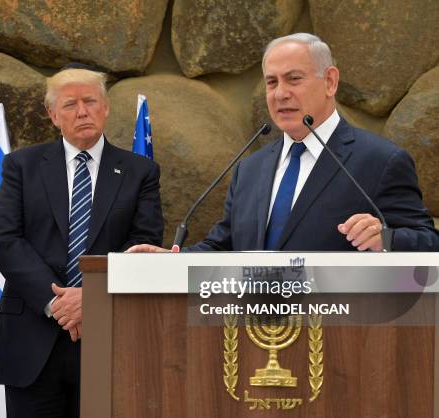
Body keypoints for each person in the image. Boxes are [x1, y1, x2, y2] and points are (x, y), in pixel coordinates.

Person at [129, 33, 438, 254]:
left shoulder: (380, 160)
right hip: (249, 334)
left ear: (330, 81)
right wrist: (171, 263)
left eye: (293, 79)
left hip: (336, 333)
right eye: (272, 82)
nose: (279, 94)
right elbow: (223, 246)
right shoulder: (251, 168)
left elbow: (428, 242)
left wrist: (387, 238)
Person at [0, 67, 164, 418]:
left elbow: (144, 244)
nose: (82, 111)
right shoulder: (21, 166)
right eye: (70, 104)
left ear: (105, 108)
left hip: (111, 343)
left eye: (90, 101)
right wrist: (58, 302)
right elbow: (5, 240)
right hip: (32, 339)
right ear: (54, 115)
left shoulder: (140, 172)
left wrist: (93, 300)